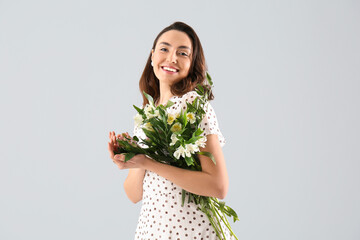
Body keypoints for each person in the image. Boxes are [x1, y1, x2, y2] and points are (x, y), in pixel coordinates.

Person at [108, 21, 233, 239]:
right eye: (164, 49)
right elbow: (134, 194)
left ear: (192, 63)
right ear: (152, 55)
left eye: (182, 53)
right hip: (154, 230)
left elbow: (218, 186)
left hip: (192, 231)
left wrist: (149, 162)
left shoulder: (194, 107)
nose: (172, 58)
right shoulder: (148, 113)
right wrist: (133, 157)